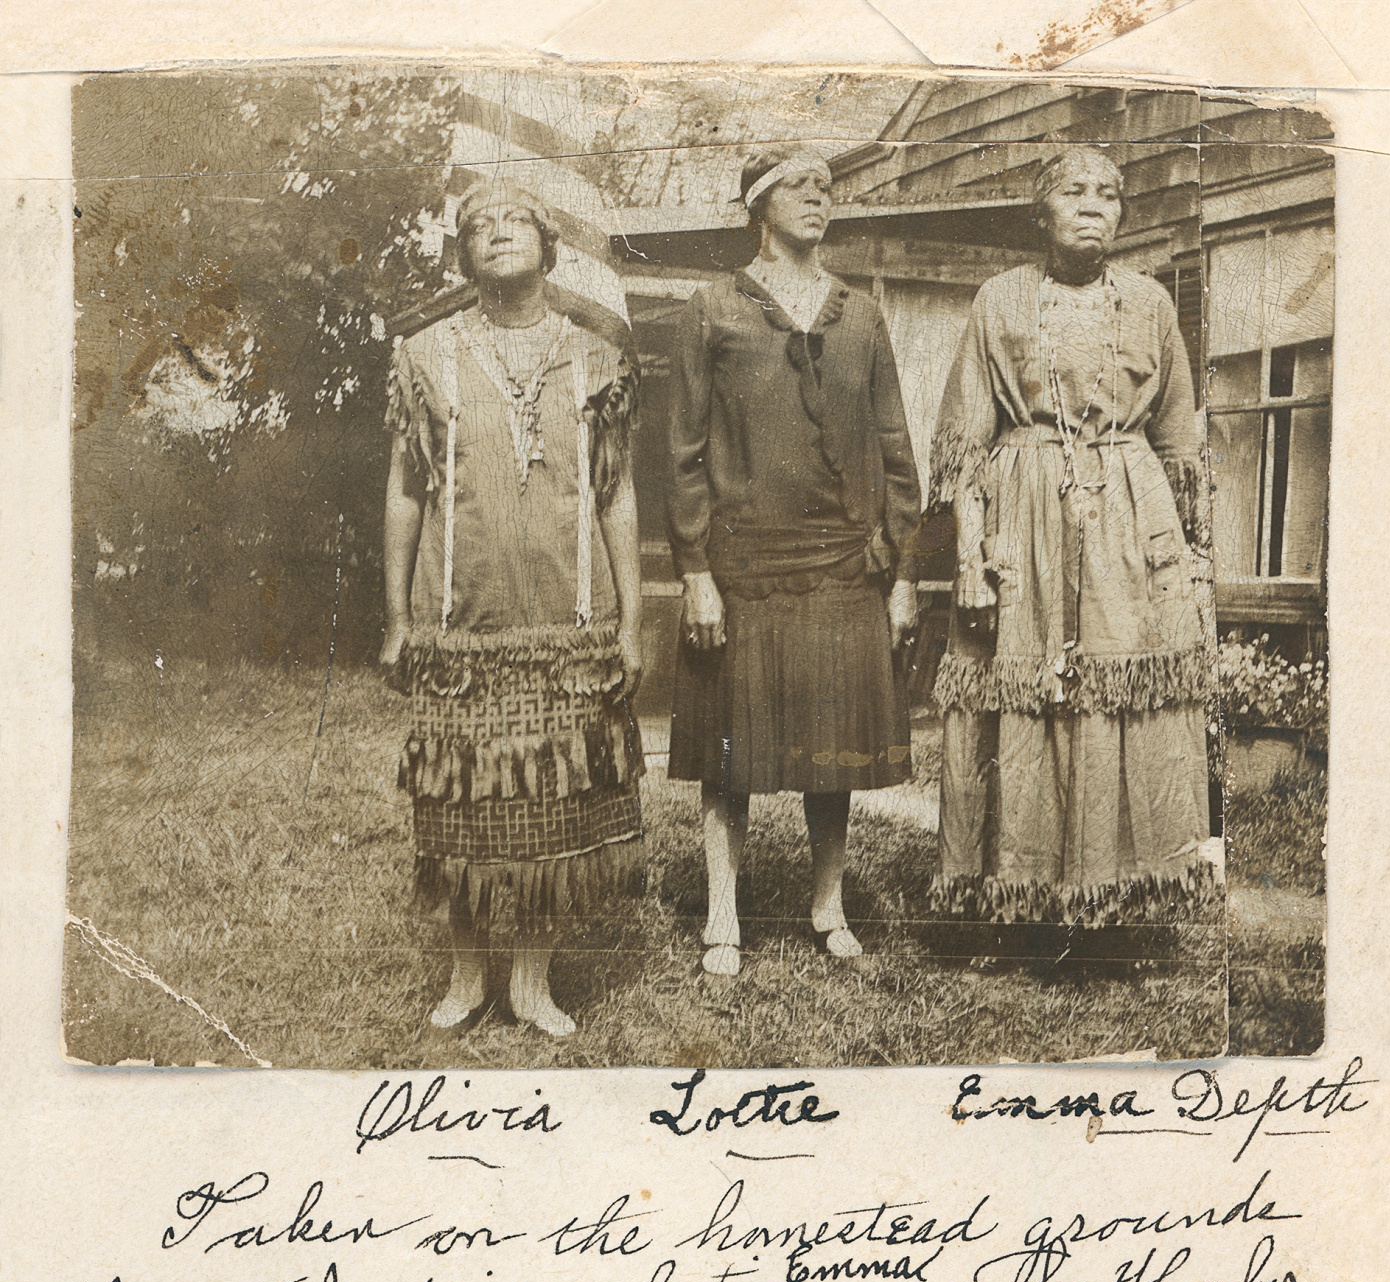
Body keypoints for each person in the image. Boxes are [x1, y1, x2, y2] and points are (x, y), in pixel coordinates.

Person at [380, 180, 644, 1037]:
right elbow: (406, 492)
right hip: (461, 621)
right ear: (463, 255)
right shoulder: (427, 354)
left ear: (549, 245)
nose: (498, 235)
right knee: (459, 804)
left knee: (553, 804)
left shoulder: (596, 354)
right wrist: (397, 618)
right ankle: (466, 975)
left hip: (569, 623)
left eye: (515, 221)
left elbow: (616, 495)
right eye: (479, 227)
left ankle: (532, 980)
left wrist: (633, 620)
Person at [929, 146, 1214, 927]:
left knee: (1122, 694)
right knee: (1020, 698)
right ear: (1042, 213)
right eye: (1074, 191)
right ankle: (1016, 900)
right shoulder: (1001, 301)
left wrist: (1189, 567)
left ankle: (1114, 904)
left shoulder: (1153, 305)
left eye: (1110, 194)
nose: (1094, 205)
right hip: (1023, 521)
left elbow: (1181, 447)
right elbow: (963, 443)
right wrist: (969, 561)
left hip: (1131, 524)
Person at [667, 148, 922, 977]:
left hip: (844, 563)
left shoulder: (861, 314)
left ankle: (828, 904)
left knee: (834, 743)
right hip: (743, 564)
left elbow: (894, 448)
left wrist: (904, 573)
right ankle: (722, 914)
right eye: (799, 187)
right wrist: (696, 571)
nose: (819, 197)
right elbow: (684, 453)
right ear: (758, 204)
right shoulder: (712, 310)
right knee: (728, 753)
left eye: (827, 188)